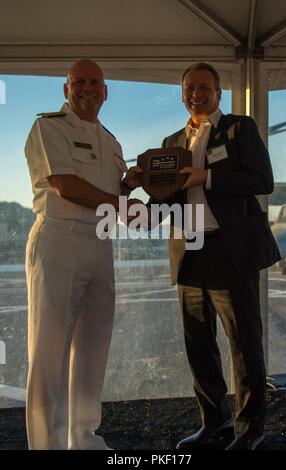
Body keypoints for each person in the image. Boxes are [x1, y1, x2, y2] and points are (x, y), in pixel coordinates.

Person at [147, 63, 280, 450]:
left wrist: (209, 177)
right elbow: (166, 196)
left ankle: (250, 430)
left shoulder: (240, 128)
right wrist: (143, 183)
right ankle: (215, 422)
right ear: (182, 93)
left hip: (231, 251)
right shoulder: (172, 140)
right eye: (189, 88)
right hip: (189, 251)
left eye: (204, 87)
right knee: (198, 343)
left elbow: (263, 182)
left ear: (218, 92)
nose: (196, 94)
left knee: (243, 343)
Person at [24, 59, 141, 450]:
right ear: (66, 89)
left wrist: (128, 186)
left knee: (93, 347)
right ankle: (48, 444)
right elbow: (65, 185)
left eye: (95, 82)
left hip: (101, 243)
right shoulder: (48, 127)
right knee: (50, 351)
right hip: (60, 240)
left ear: (106, 91)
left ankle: (84, 437)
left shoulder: (111, 141)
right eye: (80, 82)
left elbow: (110, 199)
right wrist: (120, 203)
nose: (88, 88)